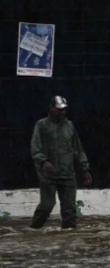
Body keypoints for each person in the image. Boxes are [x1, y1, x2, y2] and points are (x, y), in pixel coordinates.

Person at [30, 96, 92, 230]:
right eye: (59, 109)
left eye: (64, 109)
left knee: (69, 211)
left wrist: (84, 169)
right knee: (47, 206)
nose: (62, 112)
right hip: (48, 176)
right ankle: (33, 231)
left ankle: (68, 239)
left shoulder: (69, 126)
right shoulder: (41, 125)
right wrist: (44, 161)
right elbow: (35, 148)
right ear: (51, 108)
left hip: (68, 175)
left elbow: (77, 149)